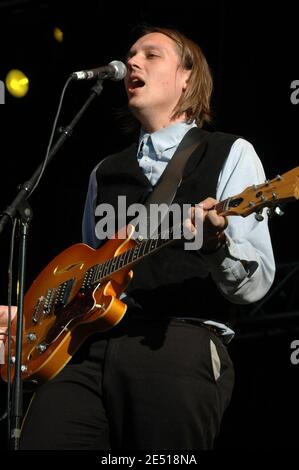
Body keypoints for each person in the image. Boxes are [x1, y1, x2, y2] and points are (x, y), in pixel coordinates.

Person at [4, 25, 275, 450]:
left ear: (187, 76)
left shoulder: (229, 152)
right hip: (88, 353)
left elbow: (256, 285)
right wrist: (38, 320)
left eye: (152, 55)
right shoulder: (104, 171)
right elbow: (90, 275)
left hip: (175, 341)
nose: (133, 61)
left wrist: (216, 244)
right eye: (131, 54)